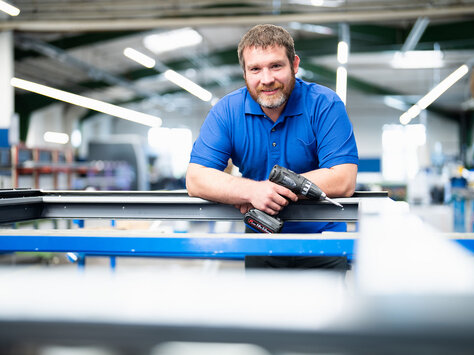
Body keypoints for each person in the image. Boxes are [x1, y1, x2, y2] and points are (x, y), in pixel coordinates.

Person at [186, 24, 358, 269]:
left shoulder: (324, 104)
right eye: (255, 69)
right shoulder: (227, 111)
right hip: (261, 239)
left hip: (323, 241)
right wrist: (251, 191)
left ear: (294, 65)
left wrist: (269, 190)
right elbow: (196, 178)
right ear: (244, 72)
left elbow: (343, 178)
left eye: (276, 66)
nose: (266, 80)